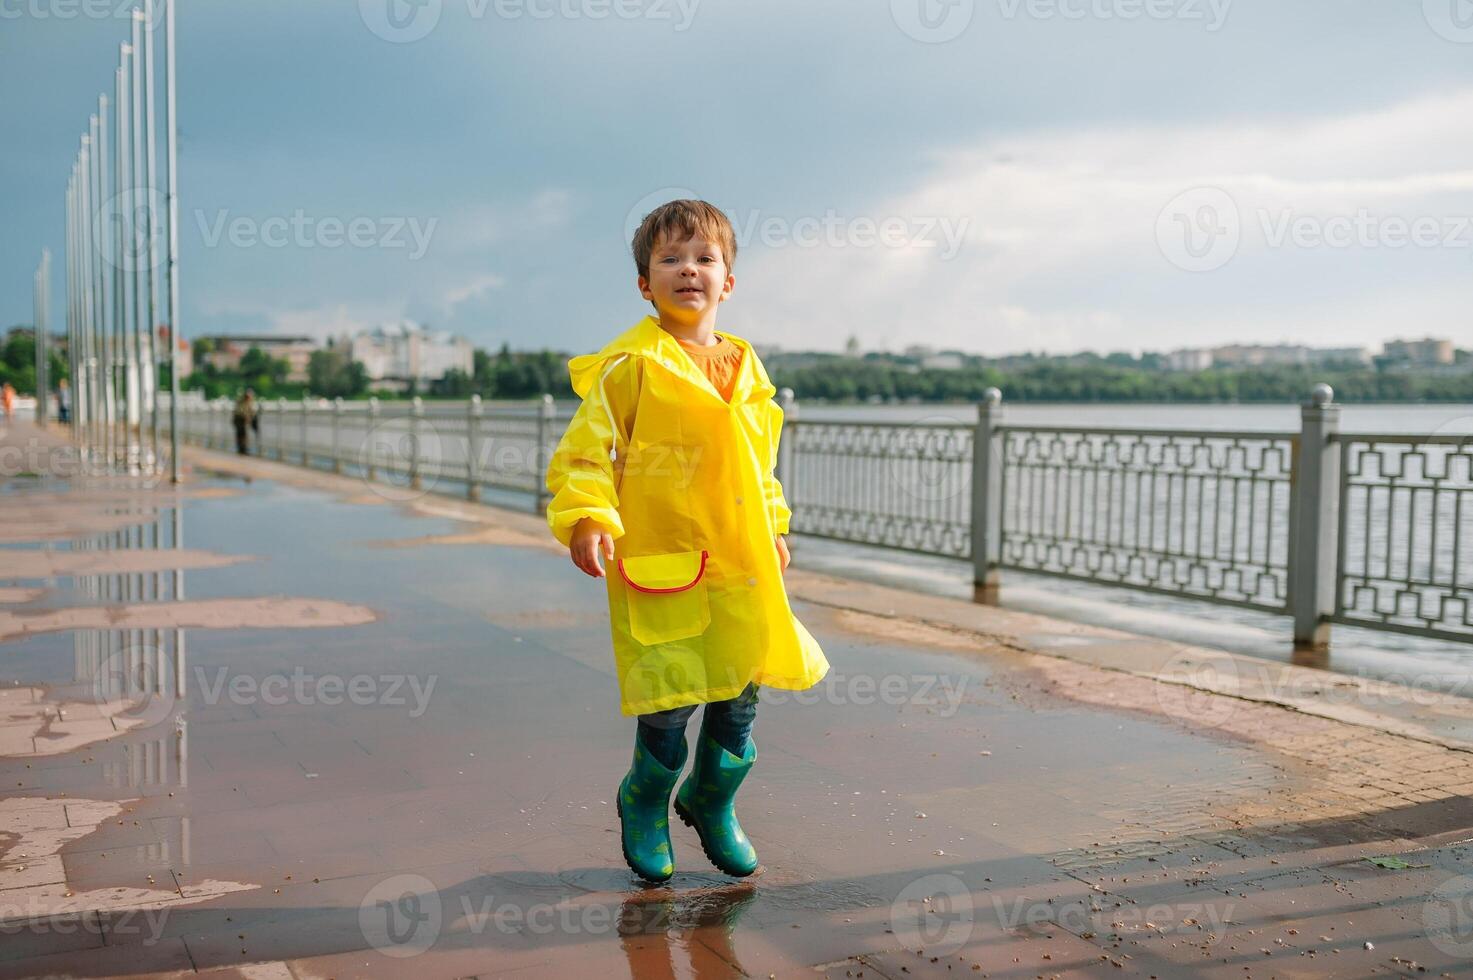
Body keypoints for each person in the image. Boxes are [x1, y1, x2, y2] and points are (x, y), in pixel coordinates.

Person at [545, 200, 829, 883]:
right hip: (665, 559)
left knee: (739, 693)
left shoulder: (746, 367)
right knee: (670, 697)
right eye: (669, 259)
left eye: (704, 258)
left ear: (727, 281)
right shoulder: (631, 366)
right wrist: (588, 516)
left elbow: (759, 463)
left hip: (741, 561)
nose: (688, 271)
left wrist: (777, 524)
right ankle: (644, 799)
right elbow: (587, 453)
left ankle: (712, 797)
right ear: (645, 283)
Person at [231, 389, 257, 454]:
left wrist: (251, 417)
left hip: (242, 421)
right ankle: (242, 449)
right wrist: (248, 417)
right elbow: (241, 412)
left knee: (243, 435)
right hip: (239, 421)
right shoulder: (241, 402)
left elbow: (251, 412)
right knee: (241, 434)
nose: (250, 398)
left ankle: (243, 449)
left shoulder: (248, 402)